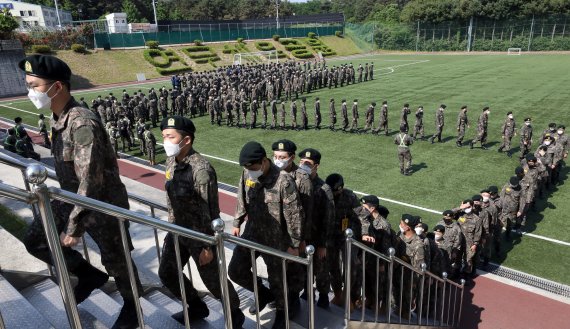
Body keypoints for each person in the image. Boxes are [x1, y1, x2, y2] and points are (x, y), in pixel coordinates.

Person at [19, 54, 142, 329]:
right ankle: (87, 275)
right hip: (71, 197)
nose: (30, 91)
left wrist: (73, 228)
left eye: (34, 85)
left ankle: (133, 306)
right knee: (36, 240)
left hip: (102, 203)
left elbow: (91, 181)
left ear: (57, 87)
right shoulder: (57, 117)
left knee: (117, 261)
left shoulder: (82, 123)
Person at [158, 116, 244, 327]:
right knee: (167, 272)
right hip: (178, 229)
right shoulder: (171, 161)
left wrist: (207, 244)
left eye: (171, 137)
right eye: (164, 137)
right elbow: (171, 197)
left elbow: (209, 209)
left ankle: (235, 314)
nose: (166, 141)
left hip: (200, 234)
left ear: (186, 140)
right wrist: (171, 225)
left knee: (213, 280)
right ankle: (196, 306)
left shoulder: (201, 170)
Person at [228, 142, 304, 329]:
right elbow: (241, 196)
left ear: (264, 161)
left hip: (276, 239)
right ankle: (263, 294)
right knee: (235, 270)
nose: (250, 171)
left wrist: (294, 244)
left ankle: (282, 313)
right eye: (247, 168)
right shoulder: (247, 172)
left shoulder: (284, 181)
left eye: (253, 168)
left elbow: (294, 214)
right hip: (253, 232)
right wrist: (237, 221)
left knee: (278, 281)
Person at [297, 148, 335, 308]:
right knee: (304, 267)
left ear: (316, 166)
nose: (303, 165)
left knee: (321, 269)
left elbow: (329, 219)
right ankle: (307, 291)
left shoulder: (323, 189)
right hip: (302, 237)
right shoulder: (297, 182)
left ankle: (324, 296)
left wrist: (322, 245)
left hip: (317, 237)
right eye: (301, 162)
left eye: (308, 163)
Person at [325, 173, 361, 307]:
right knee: (332, 266)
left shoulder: (350, 196)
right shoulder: (323, 194)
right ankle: (338, 294)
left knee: (350, 266)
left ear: (340, 189)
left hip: (347, 236)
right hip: (330, 236)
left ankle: (347, 296)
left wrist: (364, 233)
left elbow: (362, 215)